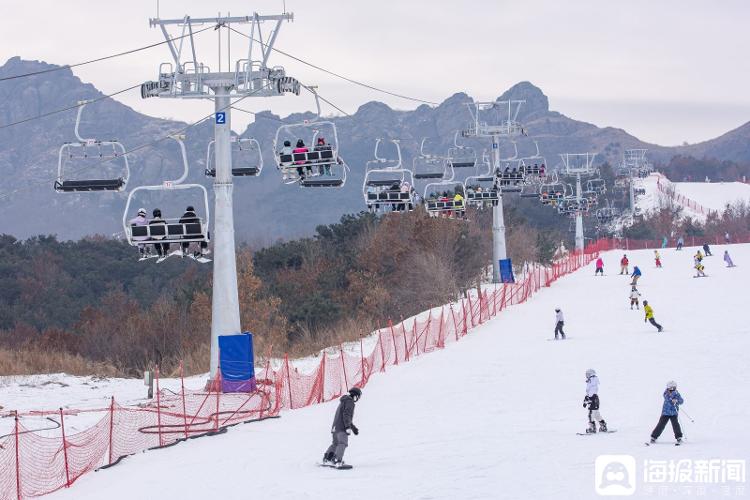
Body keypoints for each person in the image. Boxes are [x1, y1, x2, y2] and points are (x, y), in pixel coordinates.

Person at [322, 387, 361, 468]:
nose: (357, 398)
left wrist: (353, 428)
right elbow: (346, 415)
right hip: (341, 427)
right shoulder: (350, 402)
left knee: (335, 443)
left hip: (335, 427)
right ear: (355, 395)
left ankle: (327, 458)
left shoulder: (343, 401)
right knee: (342, 443)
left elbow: (344, 416)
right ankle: (337, 460)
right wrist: (347, 427)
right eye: (357, 396)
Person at [648, 381, 684, 445]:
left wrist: (676, 400)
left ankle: (679, 437)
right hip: (665, 413)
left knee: (676, 425)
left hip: (673, 413)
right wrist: (672, 399)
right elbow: (666, 397)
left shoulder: (677, 394)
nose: (671, 389)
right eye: (670, 388)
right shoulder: (666, 393)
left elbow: (681, 401)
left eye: (673, 388)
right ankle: (653, 437)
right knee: (661, 425)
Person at [583, 369, 607, 433]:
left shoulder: (592, 381)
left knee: (591, 414)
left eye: (587, 374)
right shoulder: (593, 381)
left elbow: (591, 392)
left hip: (593, 399)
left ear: (591, 374)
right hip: (595, 399)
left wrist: (588, 398)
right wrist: (586, 399)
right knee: (596, 414)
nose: (586, 376)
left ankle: (592, 428)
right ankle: (603, 426)